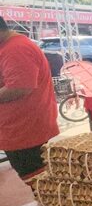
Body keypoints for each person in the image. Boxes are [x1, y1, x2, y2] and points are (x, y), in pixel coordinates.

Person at [0, 17, 59, 185]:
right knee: (40, 183)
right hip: (19, 130)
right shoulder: (8, 46)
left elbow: (19, 87)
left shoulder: (16, 49)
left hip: (26, 132)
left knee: (41, 184)